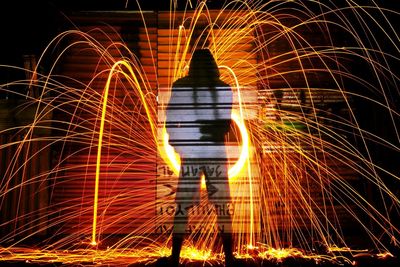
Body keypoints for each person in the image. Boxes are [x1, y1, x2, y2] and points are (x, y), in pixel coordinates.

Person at [163, 48, 235, 266]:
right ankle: (230, 258)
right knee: (221, 205)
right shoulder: (223, 88)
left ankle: (175, 257)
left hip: (194, 153)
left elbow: (170, 120)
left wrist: (179, 143)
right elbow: (225, 124)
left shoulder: (180, 86)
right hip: (213, 153)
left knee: (183, 206)